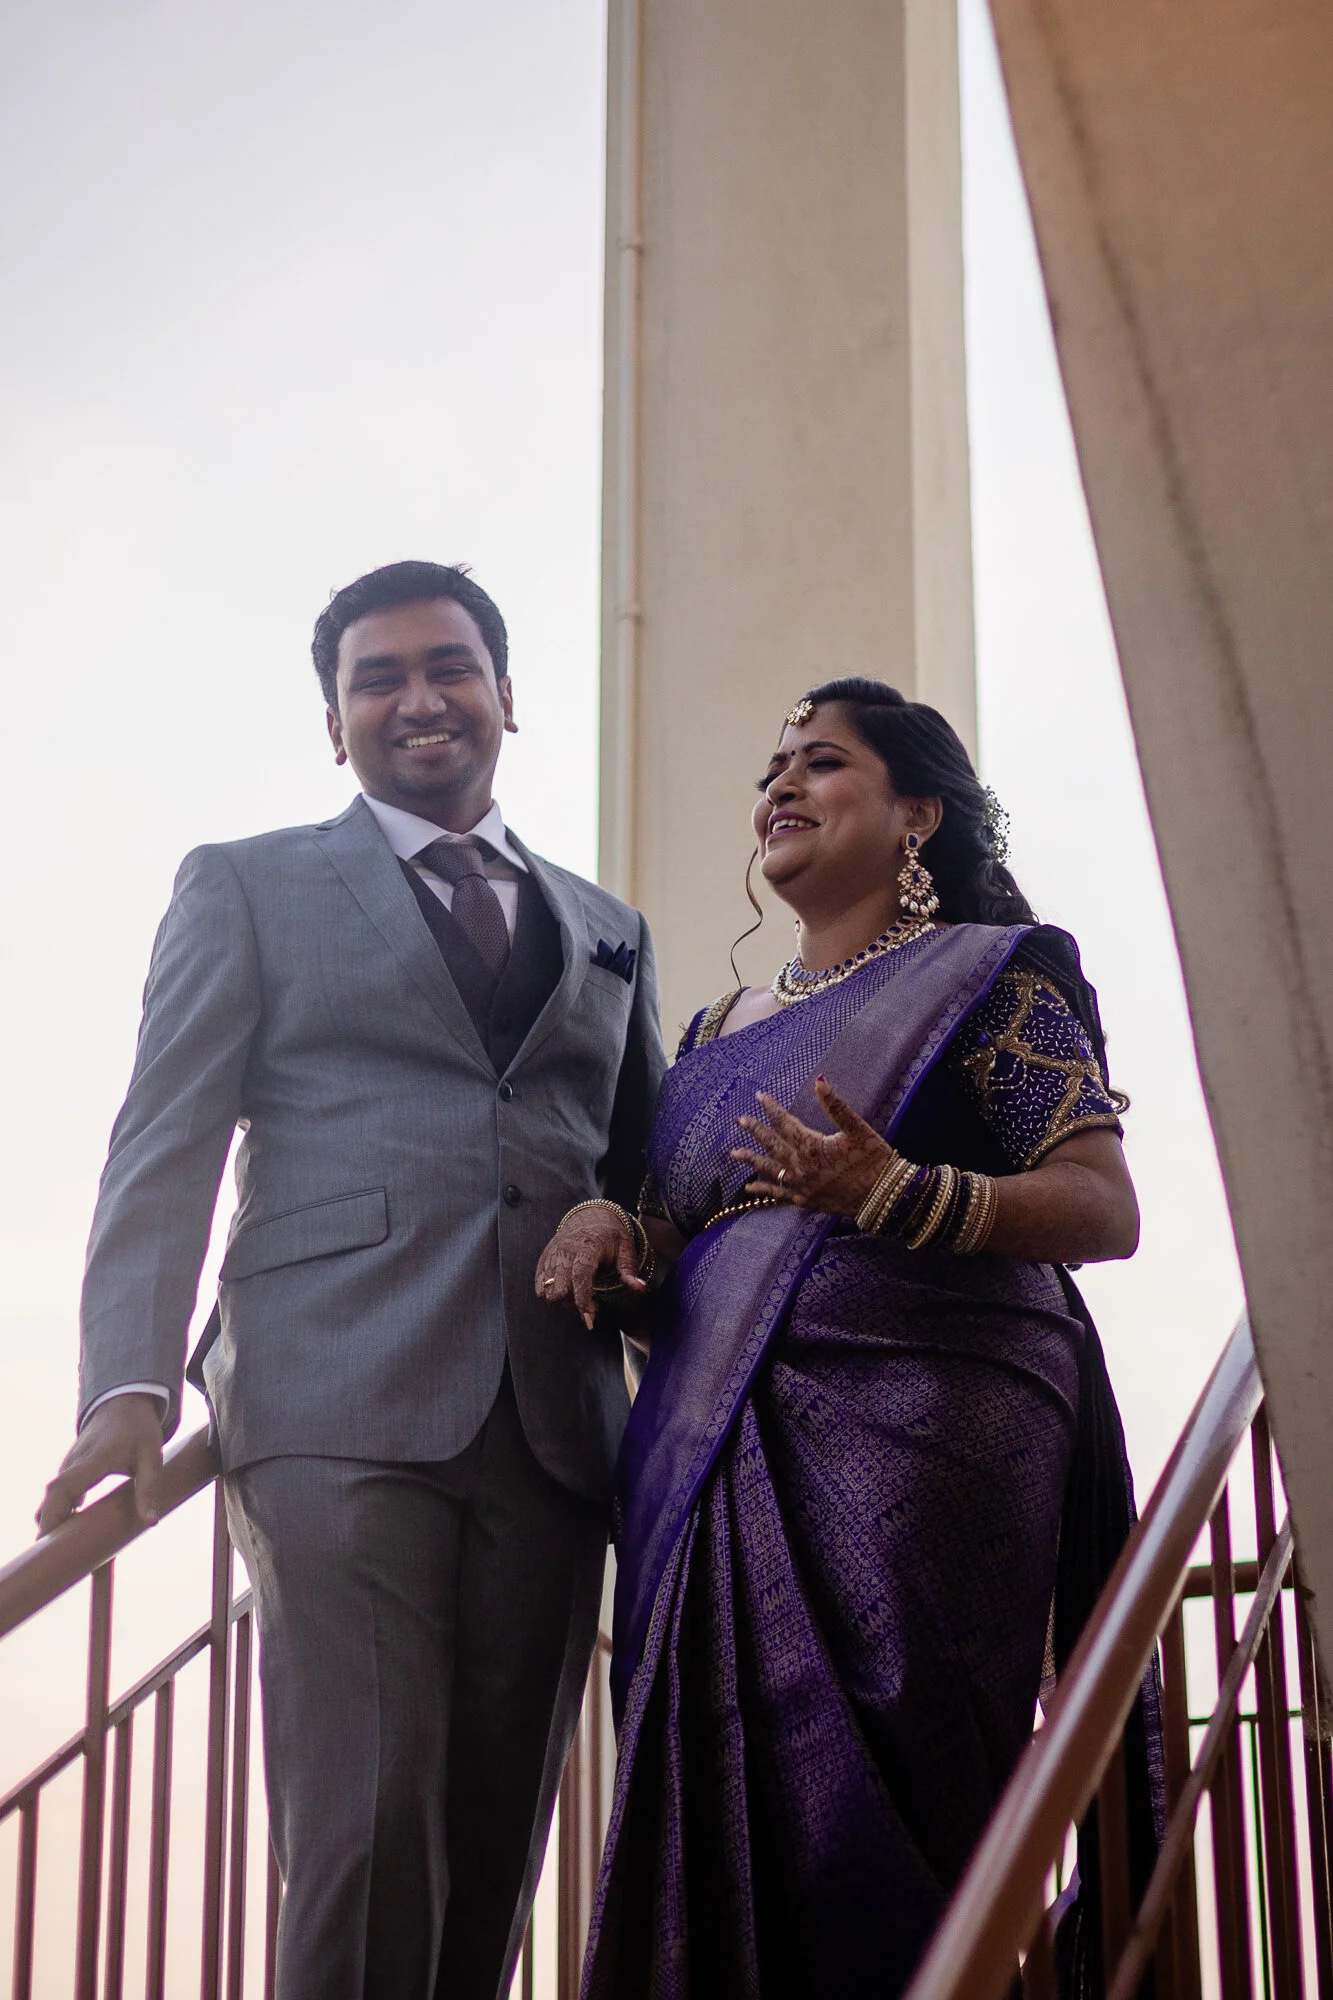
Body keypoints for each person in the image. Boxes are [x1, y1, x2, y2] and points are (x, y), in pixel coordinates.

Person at [38, 560, 666, 2000]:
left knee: (497, 1835)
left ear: (508, 696)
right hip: (330, 1397)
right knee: (368, 1821)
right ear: (335, 725)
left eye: (449, 667)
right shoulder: (247, 884)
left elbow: (648, 1165)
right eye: (376, 679)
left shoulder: (607, 925)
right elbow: (165, 1144)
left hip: (560, 1424)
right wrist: (128, 1385)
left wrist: (627, 1225)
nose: (418, 700)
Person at [536, 677, 1162, 1999]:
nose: (781, 786)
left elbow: (1101, 1208)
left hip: (926, 1450)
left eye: (824, 763)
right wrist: (607, 1226)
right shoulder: (710, 1039)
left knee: (878, 1834)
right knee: (715, 1827)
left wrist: (897, 1194)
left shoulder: (986, 978)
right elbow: (670, 1237)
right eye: (773, 767)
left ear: (919, 815)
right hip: (705, 1464)